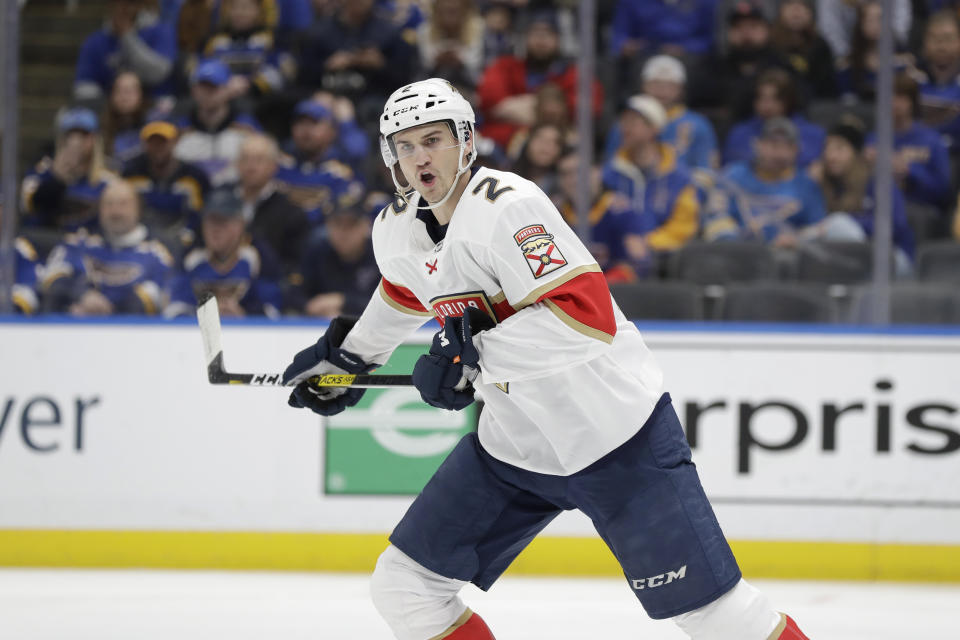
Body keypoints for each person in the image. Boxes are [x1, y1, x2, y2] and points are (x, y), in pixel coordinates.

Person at [280, 78, 812, 640]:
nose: (420, 158)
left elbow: (584, 318)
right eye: (405, 146)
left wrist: (466, 352)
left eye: (432, 140)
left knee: (717, 616)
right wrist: (348, 359)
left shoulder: (510, 207)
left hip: (615, 437)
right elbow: (406, 290)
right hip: (516, 446)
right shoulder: (393, 228)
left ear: (465, 141)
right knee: (404, 586)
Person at [41, 179, 173, 315]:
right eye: (108, 204)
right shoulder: (77, 243)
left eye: (123, 204)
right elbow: (51, 279)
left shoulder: (156, 253)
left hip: (131, 331)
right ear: (99, 209)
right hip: (74, 326)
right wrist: (82, 295)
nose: (115, 211)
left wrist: (108, 311)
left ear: (138, 209)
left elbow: (159, 295)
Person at [476, 10, 603, 147]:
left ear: (559, 39)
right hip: (504, 146)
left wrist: (531, 108)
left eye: (548, 34)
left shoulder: (573, 73)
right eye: (535, 33)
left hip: (557, 146)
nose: (541, 40)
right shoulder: (505, 66)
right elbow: (487, 99)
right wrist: (549, 111)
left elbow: (589, 108)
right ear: (525, 37)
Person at [813, 117, 916, 275]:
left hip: (893, 257)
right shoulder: (829, 185)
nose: (830, 156)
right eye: (827, 148)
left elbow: (894, 225)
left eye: (839, 149)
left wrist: (852, 221)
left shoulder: (878, 181)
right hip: (852, 260)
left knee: (838, 223)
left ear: (856, 152)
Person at [602, 95, 701, 258]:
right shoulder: (610, 173)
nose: (625, 128)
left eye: (633, 122)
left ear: (654, 128)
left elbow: (684, 227)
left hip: (663, 261)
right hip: (615, 259)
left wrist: (649, 243)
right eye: (623, 121)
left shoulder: (679, 177)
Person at [164, 187, 282, 318]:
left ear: (240, 225)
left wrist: (244, 315)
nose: (215, 230)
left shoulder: (258, 257)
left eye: (223, 222)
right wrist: (205, 317)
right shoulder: (190, 258)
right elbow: (174, 309)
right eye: (210, 221)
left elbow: (272, 310)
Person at [719, 117, 827, 246]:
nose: (780, 153)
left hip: (790, 259)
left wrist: (797, 239)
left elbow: (818, 228)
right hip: (738, 256)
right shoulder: (733, 177)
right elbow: (716, 218)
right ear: (757, 144)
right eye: (773, 145)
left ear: (797, 150)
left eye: (788, 146)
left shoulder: (807, 185)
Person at [604, 55, 719, 169]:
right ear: (644, 85)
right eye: (655, 83)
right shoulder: (626, 125)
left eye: (670, 85)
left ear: (681, 89)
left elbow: (707, 172)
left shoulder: (699, 125)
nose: (662, 90)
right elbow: (610, 166)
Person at [20, 108, 115, 231]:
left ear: (94, 140)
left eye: (83, 135)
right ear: (60, 139)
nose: (76, 142)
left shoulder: (108, 182)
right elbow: (27, 209)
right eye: (69, 136)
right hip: (45, 242)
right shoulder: (39, 173)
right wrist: (56, 177)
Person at [174, 59, 260, 186]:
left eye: (214, 87)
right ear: (193, 91)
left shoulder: (247, 128)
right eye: (203, 87)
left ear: (227, 90)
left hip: (235, 195)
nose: (208, 93)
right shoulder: (179, 130)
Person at [234, 133, 309, 275]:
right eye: (245, 159)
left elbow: (292, 265)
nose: (251, 167)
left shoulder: (291, 212)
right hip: (218, 282)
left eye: (258, 160)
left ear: (273, 166)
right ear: (237, 164)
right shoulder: (219, 201)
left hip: (267, 285)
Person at [74, 0, 177, 102]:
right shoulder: (95, 41)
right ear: (110, 6)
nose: (123, 8)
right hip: (111, 108)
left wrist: (127, 36)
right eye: (117, 3)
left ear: (140, 6)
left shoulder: (161, 31)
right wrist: (105, 105)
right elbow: (84, 85)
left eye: (130, 3)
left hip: (155, 105)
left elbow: (158, 73)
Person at [723, 69, 826, 169]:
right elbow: (729, 166)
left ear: (788, 100)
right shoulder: (739, 132)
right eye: (761, 98)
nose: (767, 106)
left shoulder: (813, 134)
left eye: (775, 99)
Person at [123, 119, 211, 233]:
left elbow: (201, 216)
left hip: (185, 237)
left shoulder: (195, 177)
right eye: (152, 142)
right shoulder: (131, 174)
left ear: (175, 141)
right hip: (142, 236)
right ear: (144, 144)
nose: (157, 147)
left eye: (163, 141)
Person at [200, 0, 297, 101]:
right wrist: (224, 85)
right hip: (219, 96)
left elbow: (278, 72)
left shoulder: (271, 41)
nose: (239, 13)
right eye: (234, 7)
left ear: (259, 11)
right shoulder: (215, 41)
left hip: (259, 99)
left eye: (246, 8)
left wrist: (250, 85)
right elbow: (204, 70)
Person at [297, 201, 380, 317]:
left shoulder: (381, 256)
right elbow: (294, 292)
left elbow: (392, 304)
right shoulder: (317, 252)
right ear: (327, 226)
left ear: (366, 226)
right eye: (337, 224)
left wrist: (343, 302)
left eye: (351, 225)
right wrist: (310, 306)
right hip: (320, 325)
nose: (343, 233)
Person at [101, 71, 150, 165]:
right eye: (118, 91)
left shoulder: (153, 125)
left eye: (130, 91)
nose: (124, 96)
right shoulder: (101, 129)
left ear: (141, 95)